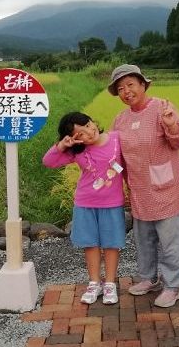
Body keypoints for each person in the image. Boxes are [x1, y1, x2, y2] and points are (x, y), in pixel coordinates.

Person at [107, 64, 179, 308]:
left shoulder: (161, 108)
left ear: (143, 85)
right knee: (143, 239)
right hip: (139, 190)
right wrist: (114, 183)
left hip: (167, 190)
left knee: (169, 242)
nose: (126, 91)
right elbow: (116, 157)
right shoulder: (120, 119)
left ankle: (172, 286)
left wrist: (171, 125)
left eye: (131, 85)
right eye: (121, 88)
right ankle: (148, 278)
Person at [42, 112, 126, 305]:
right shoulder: (76, 152)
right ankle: (94, 282)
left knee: (112, 244)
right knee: (90, 244)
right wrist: (62, 145)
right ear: (74, 139)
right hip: (85, 202)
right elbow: (48, 161)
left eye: (88, 125)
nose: (89, 132)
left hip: (112, 203)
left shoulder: (116, 139)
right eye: (80, 134)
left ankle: (110, 284)